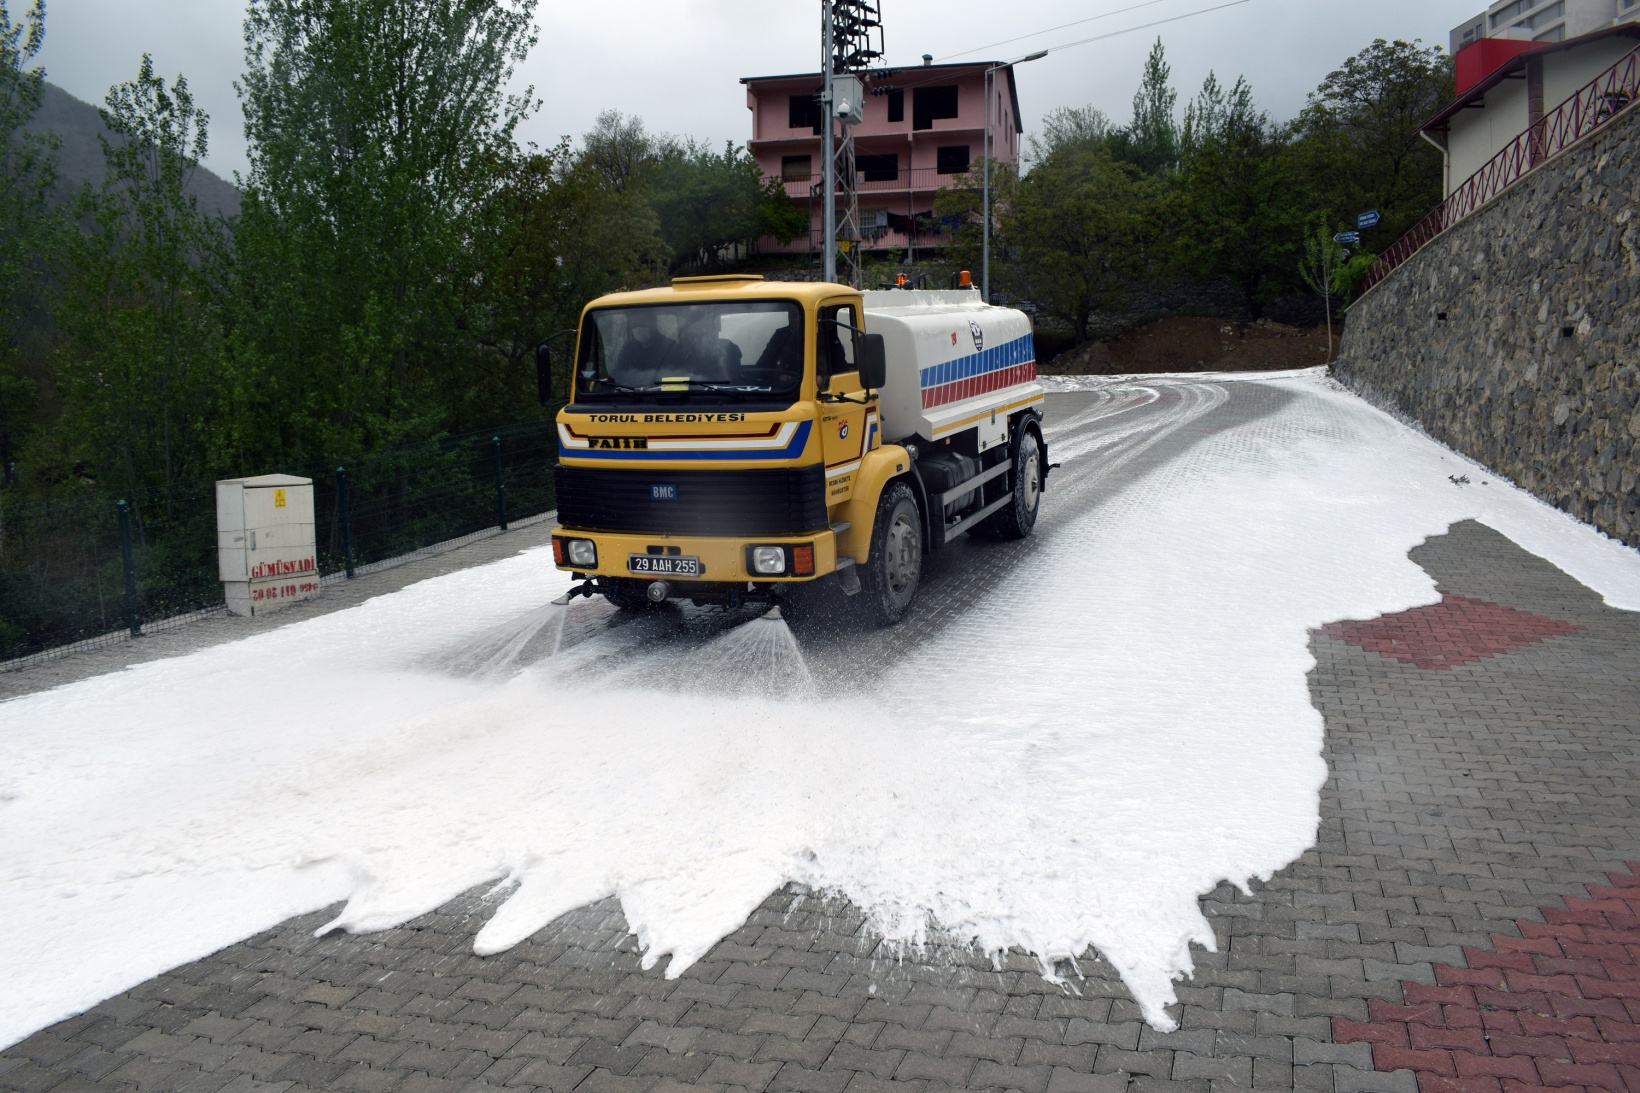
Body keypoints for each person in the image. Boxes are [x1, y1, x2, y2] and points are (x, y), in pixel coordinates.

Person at [612, 310, 678, 385]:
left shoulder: (670, 347)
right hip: (630, 394)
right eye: (634, 325)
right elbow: (616, 376)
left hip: (662, 394)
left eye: (642, 323)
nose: (638, 328)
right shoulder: (627, 349)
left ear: (653, 324)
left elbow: (677, 378)